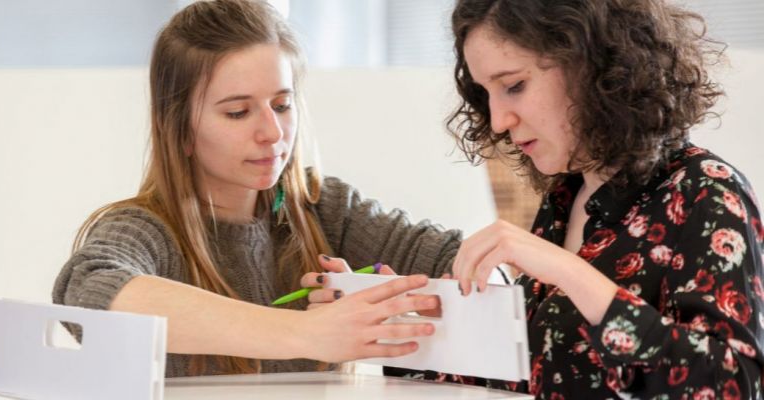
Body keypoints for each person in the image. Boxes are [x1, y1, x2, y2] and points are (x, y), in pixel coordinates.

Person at [52, 0, 461, 378]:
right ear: (180, 131)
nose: (271, 133)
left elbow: (461, 263)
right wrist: (306, 331)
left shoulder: (324, 209)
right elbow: (87, 295)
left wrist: (380, 304)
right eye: (237, 112)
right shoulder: (145, 230)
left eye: (282, 105)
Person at [436, 0, 763, 398]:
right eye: (486, 93)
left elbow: (736, 385)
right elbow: (536, 375)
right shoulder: (565, 198)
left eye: (514, 86)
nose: (499, 119)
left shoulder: (707, 192)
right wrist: (417, 329)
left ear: (592, 65)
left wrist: (571, 274)